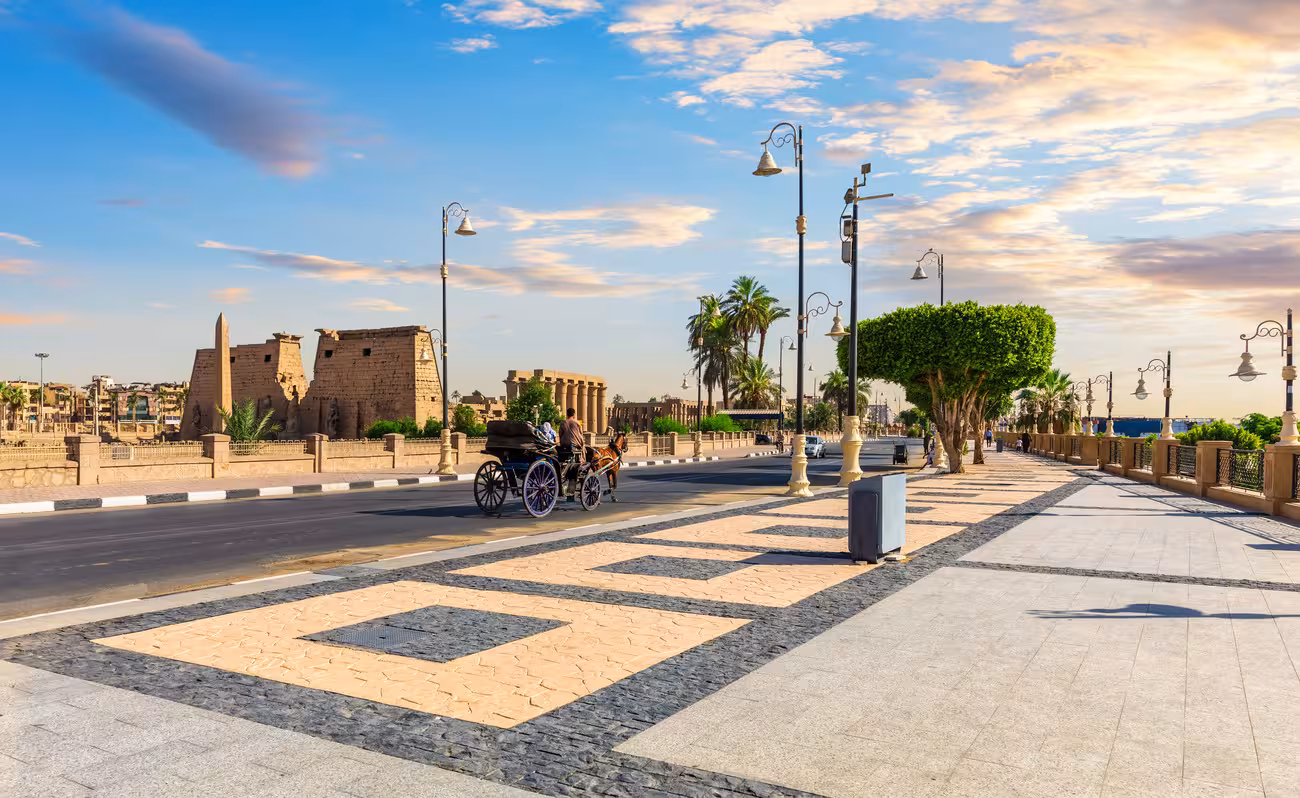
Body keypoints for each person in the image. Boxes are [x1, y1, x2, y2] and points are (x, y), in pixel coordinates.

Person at [558, 408, 583, 500]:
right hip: (573, 448)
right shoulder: (576, 423)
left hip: (563, 448)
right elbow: (580, 435)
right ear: (574, 414)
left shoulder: (563, 423)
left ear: (567, 414)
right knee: (574, 468)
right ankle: (570, 492)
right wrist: (582, 445)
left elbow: (560, 434)